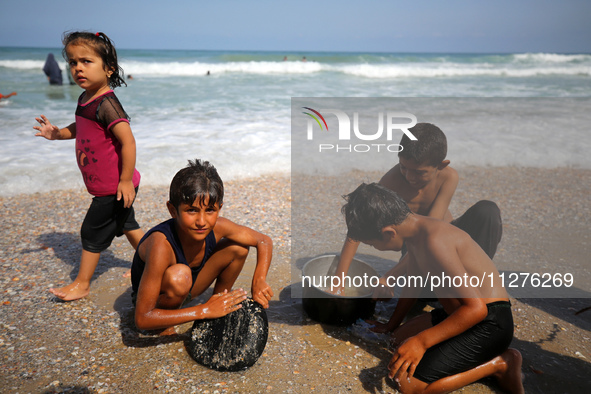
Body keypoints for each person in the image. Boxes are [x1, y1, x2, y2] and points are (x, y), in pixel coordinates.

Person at [342, 183, 523, 394]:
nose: (373, 248)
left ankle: (501, 364)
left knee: (408, 384)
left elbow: (477, 309)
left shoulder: (435, 241)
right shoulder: (416, 233)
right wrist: (391, 325)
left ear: (389, 232)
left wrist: (421, 342)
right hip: (457, 314)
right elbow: (413, 285)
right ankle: (434, 345)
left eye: (372, 244)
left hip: (489, 324)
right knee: (397, 341)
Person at [34, 31, 144, 301]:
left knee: (91, 232)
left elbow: (128, 142)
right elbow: (81, 128)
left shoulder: (107, 103)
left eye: (86, 61)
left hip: (114, 186)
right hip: (110, 184)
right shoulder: (85, 99)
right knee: (128, 225)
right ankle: (154, 262)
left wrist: (125, 180)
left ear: (109, 69)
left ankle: (82, 284)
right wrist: (57, 133)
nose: (78, 68)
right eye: (73, 62)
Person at [333, 123, 502, 295]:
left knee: (487, 211)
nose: (409, 176)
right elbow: (359, 226)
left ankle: (479, 284)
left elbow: (433, 228)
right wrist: (339, 280)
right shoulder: (392, 181)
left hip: (442, 238)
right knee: (422, 294)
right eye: (403, 167)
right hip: (415, 246)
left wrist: (391, 276)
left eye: (419, 172)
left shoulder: (449, 177)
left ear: (441, 166)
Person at [130, 159, 273, 334]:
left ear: (219, 208)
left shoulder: (218, 227)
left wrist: (259, 279)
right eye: (191, 210)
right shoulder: (161, 244)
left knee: (238, 247)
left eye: (210, 210)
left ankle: (219, 305)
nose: (201, 221)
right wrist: (203, 311)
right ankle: (165, 323)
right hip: (156, 301)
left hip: (189, 287)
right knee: (179, 275)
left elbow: (264, 240)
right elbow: (142, 318)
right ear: (173, 210)